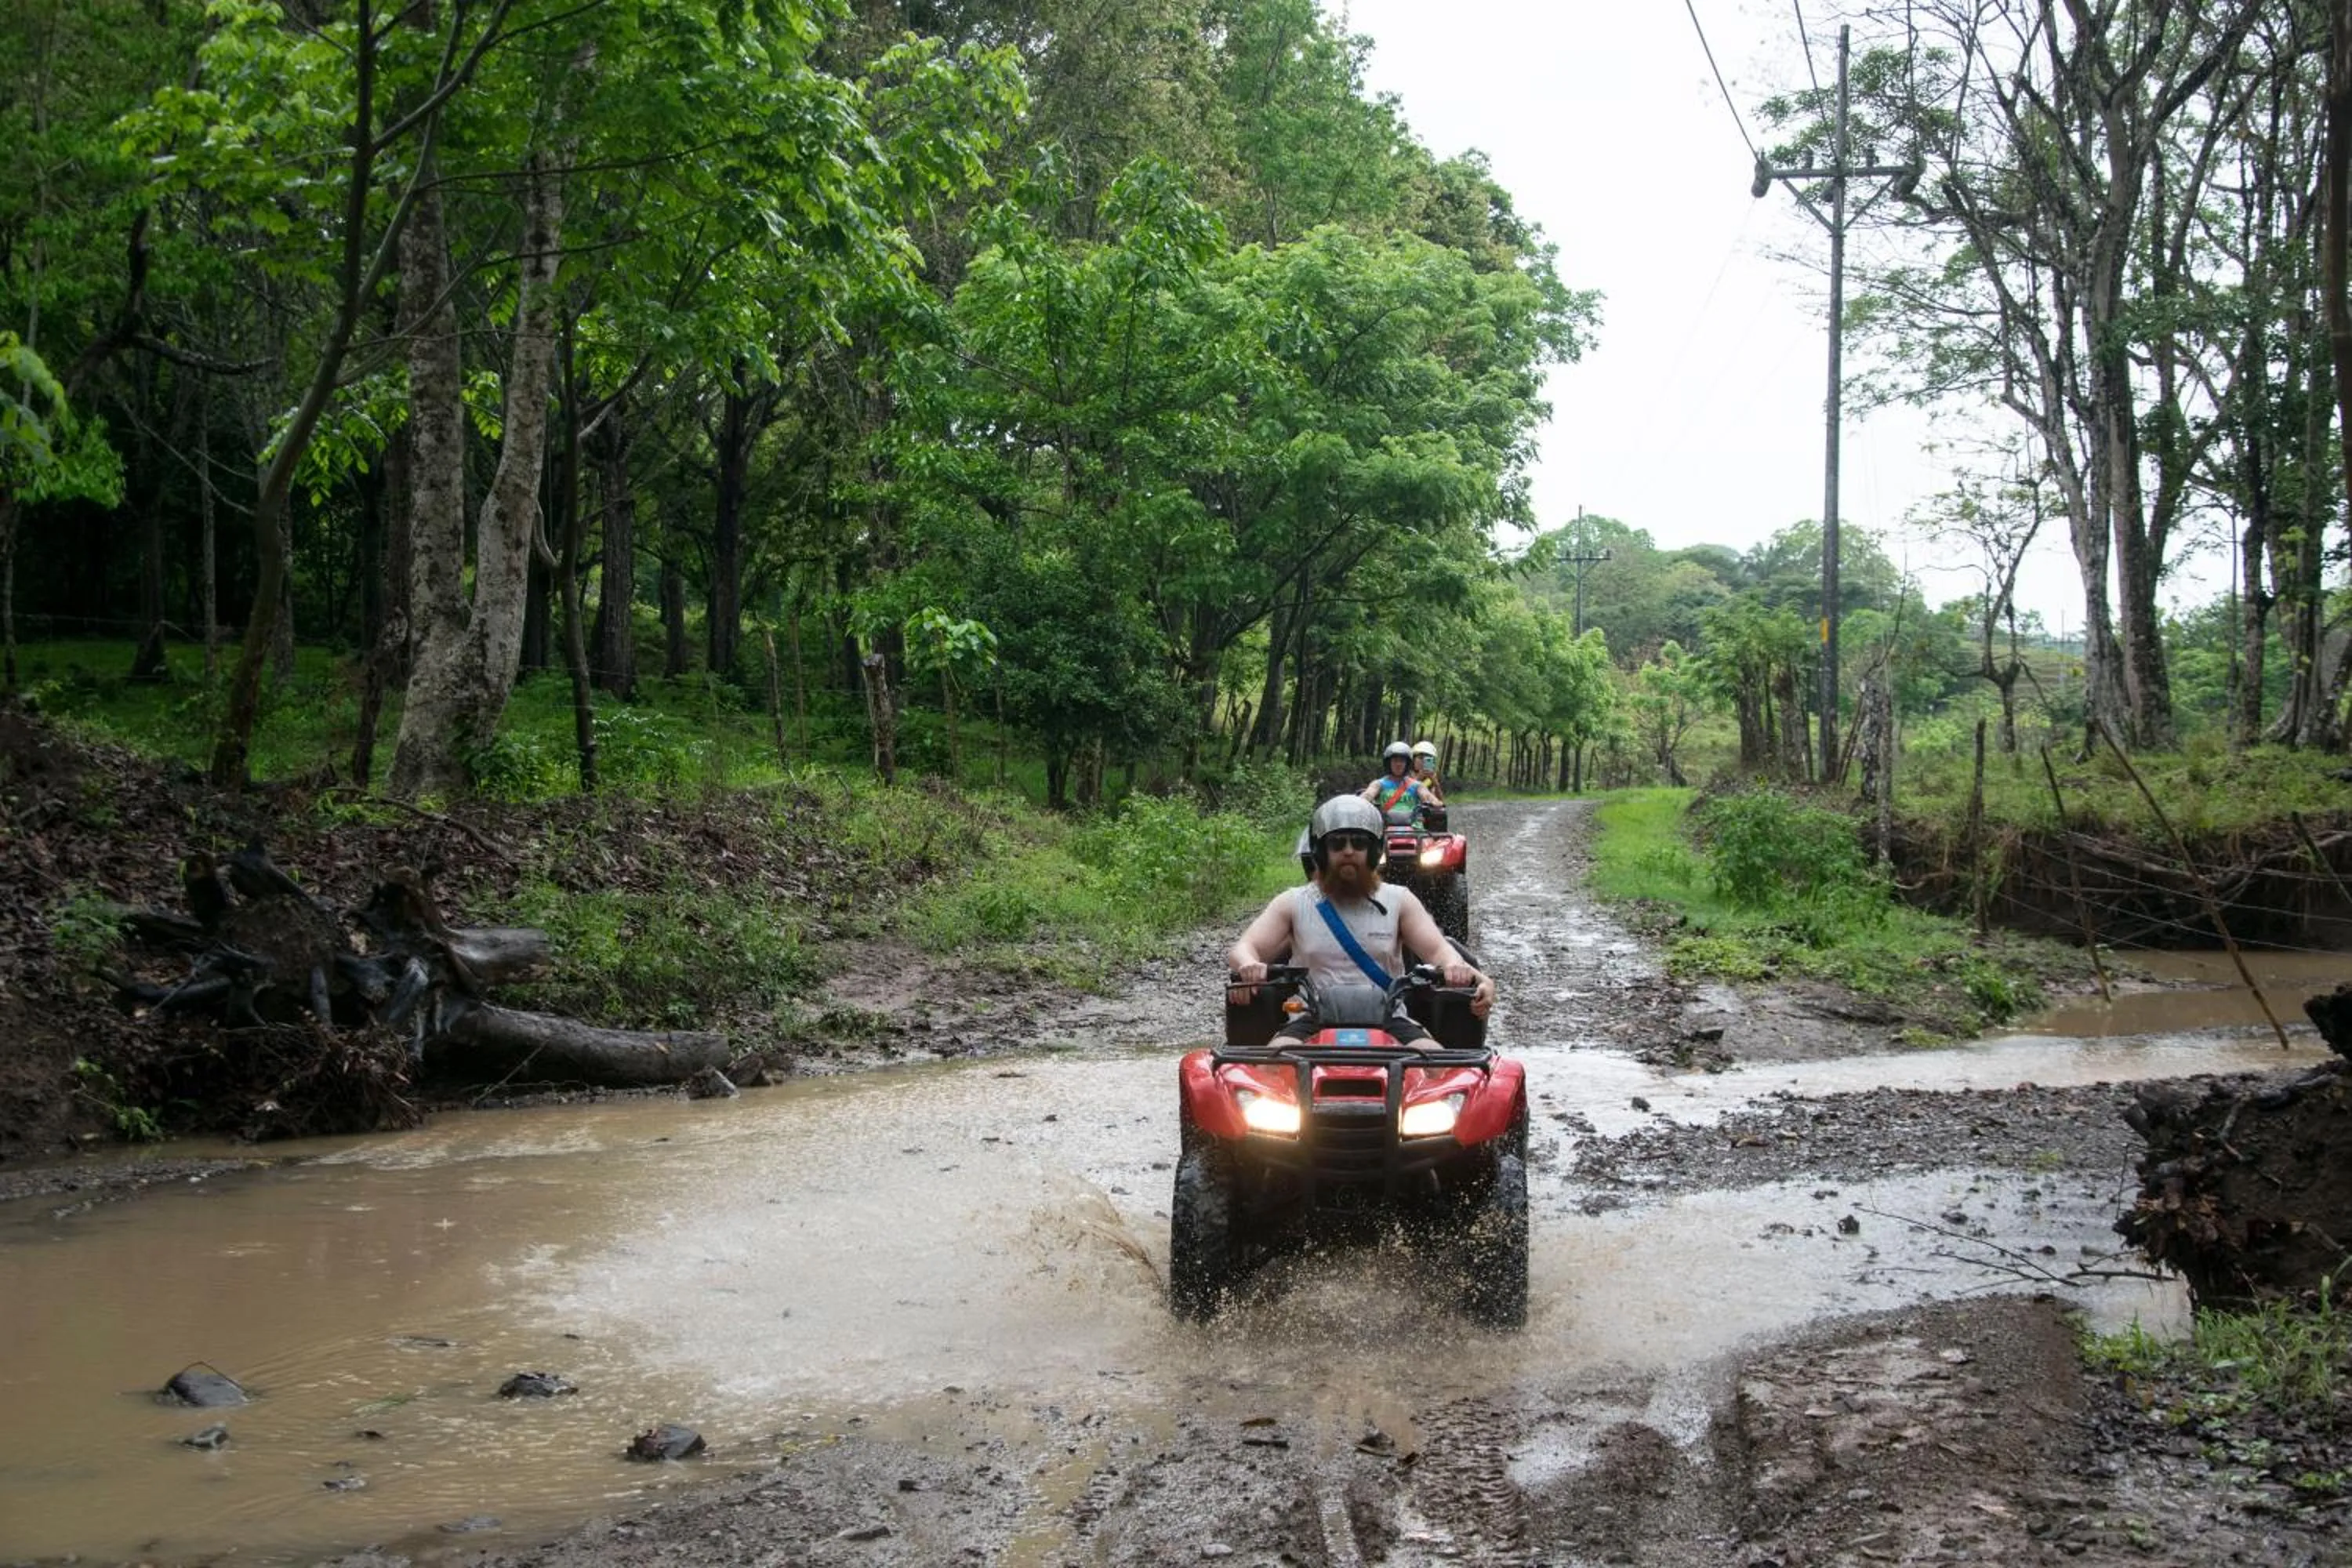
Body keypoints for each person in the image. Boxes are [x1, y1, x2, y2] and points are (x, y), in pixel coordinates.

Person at [1228, 795, 1494, 1044]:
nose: (1348, 851)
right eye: (1337, 843)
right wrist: (1250, 964)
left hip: (1390, 1018)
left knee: (1439, 1070)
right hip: (1309, 1018)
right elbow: (1243, 948)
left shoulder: (1399, 900)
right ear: (1321, 851)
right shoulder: (1293, 902)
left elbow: (1438, 950)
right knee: (1271, 1068)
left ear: (1374, 851)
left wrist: (1453, 967)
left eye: (1359, 843)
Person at [1359, 740, 1431, 823]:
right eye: (1395, 760)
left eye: (1402, 761)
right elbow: (1368, 794)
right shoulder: (1379, 784)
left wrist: (1433, 801)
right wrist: (1359, 802)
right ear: (1388, 763)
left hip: (1413, 830)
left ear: (1407, 764)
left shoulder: (1417, 785)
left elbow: (1427, 796)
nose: (1398, 764)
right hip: (1385, 828)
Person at [1409, 739, 1446, 806]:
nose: (1423, 761)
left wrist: (1435, 783)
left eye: (1427, 759)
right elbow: (1403, 795)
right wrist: (1418, 778)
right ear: (1413, 759)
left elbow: (1441, 801)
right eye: (1420, 758)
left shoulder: (1432, 777)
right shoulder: (1406, 774)